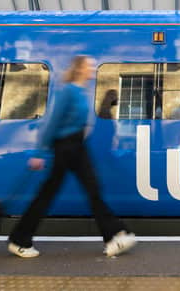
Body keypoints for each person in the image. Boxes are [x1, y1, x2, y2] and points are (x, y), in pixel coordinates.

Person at [8, 55, 136, 258]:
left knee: (92, 188)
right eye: (89, 67)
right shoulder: (68, 91)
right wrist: (40, 152)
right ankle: (19, 239)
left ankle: (114, 235)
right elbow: (51, 122)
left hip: (77, 146)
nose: (92, 70)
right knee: (49, 193)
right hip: (65, 147)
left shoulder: (80, 92)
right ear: (79, 69)